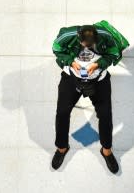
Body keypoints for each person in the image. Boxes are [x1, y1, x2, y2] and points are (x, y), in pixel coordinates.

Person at [51, 23, 123, 174]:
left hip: (98, 79)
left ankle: (107, 151)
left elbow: (114, 53)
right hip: (72, 77)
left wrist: (98, 64)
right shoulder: (67, 35)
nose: (88, 47)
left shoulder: (105, 36)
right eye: (85, 45)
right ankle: (62, 147)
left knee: (105, 115)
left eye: (92, 45)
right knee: (62, 112)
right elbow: (56, 49)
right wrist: (70, 61)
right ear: (78, 38)